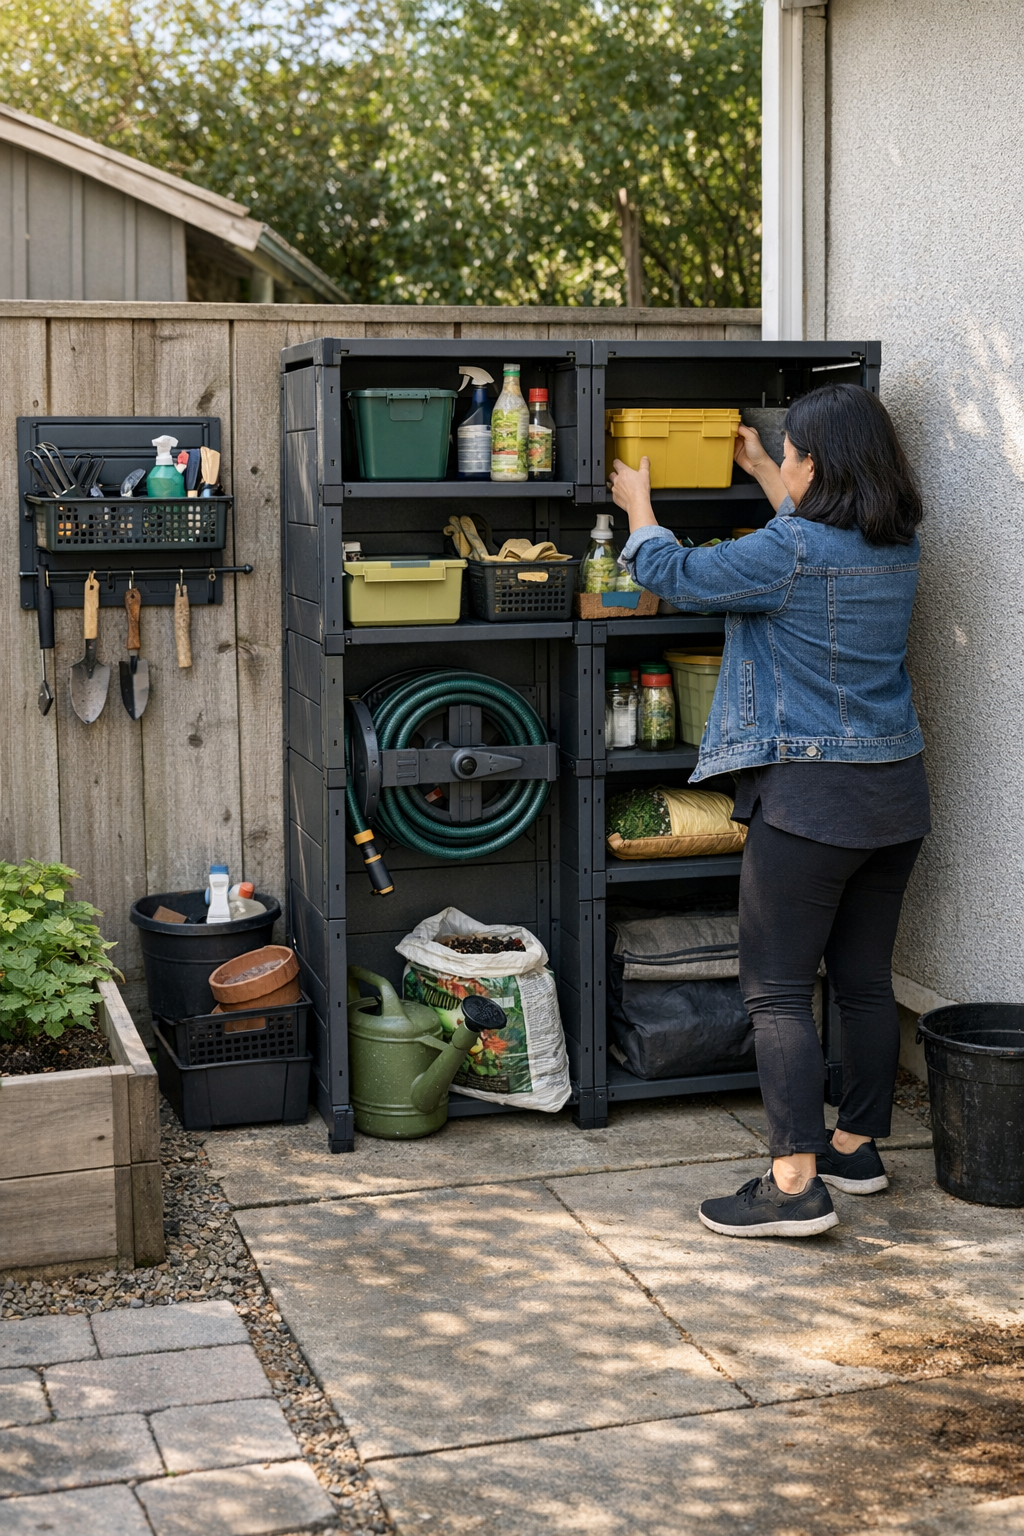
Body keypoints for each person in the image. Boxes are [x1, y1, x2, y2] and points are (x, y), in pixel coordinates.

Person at [610, 383, 930, 1238]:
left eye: (788, 450)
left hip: (812, 800)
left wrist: (640, 507)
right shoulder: (896, 547)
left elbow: (674, 574)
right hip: (895, 795)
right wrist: (757, 467)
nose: (781, 458)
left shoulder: (786, 551)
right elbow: (810, 543)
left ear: (816, 463)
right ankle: (854, 1149)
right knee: (864, 981)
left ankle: (792, 1185)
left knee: (778, 990)